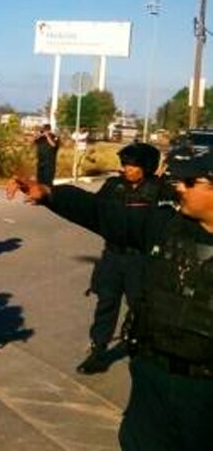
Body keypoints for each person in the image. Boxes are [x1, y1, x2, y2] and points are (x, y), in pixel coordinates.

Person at [6, 145, 213, 451]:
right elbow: (104, 214)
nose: (179, 187)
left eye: (191, 182)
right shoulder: (167, 226)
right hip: (152, 380)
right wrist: (49, 194)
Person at [78, 142, 168, 374]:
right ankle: (98, 352)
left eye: (133, 165)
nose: (127, 169)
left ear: (146, 167)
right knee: (106, 303)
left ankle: (140, 348)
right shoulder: (112, 186)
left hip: (141, 260)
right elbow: (94, 210)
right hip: (112, 256)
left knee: (140, 306)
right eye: (125, 164)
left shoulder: (160, 190)